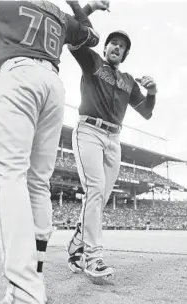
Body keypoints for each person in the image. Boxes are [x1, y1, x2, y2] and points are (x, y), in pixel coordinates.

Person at [0, 1, 100, 304]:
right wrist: (83, 5)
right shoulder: (58, 14)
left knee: (11, 176)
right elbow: (92, 36)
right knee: (37, 184)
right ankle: (33, 286)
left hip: (19, 76)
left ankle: (25, 296)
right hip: (53, 87)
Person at [66, 2, 158, 279]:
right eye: (112, 43)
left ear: (125, 53)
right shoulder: (91, 61)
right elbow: (74, 33)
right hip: (89, 132)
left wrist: (152, 92)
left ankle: (76, 246)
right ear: (105, 48)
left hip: (113, 140)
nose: (116, 47)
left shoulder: (129, 80)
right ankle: (93, 258)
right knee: (94, 190)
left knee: (99, 199)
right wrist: (88, 7)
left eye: (121, 46)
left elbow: (147, 113)